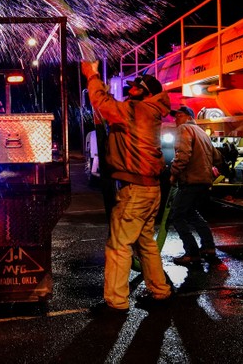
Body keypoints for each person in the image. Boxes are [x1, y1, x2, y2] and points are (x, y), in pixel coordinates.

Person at [81, 61, 173, 312]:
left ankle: (116, 302)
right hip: (149, 189)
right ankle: (160, 290)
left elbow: (103, 103)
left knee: (119, 246)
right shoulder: (149, 111)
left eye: (135, 88)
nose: (130, 90)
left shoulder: (137, 110)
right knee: (146, 243)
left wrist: (92, 75)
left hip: (135, 191)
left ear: (145, 91)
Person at [167, 105, 219, 266]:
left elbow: (183, 154)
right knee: (191, 213)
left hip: (190, 180)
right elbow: (216, 156)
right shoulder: (202, 132)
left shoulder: (185, 129)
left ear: (189, 117)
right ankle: (208, 247)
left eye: (179, 115)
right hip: (203, 180)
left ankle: (192, 253)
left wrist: (174, 173)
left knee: (176, 215)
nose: (176, 119)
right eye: (175, 116)